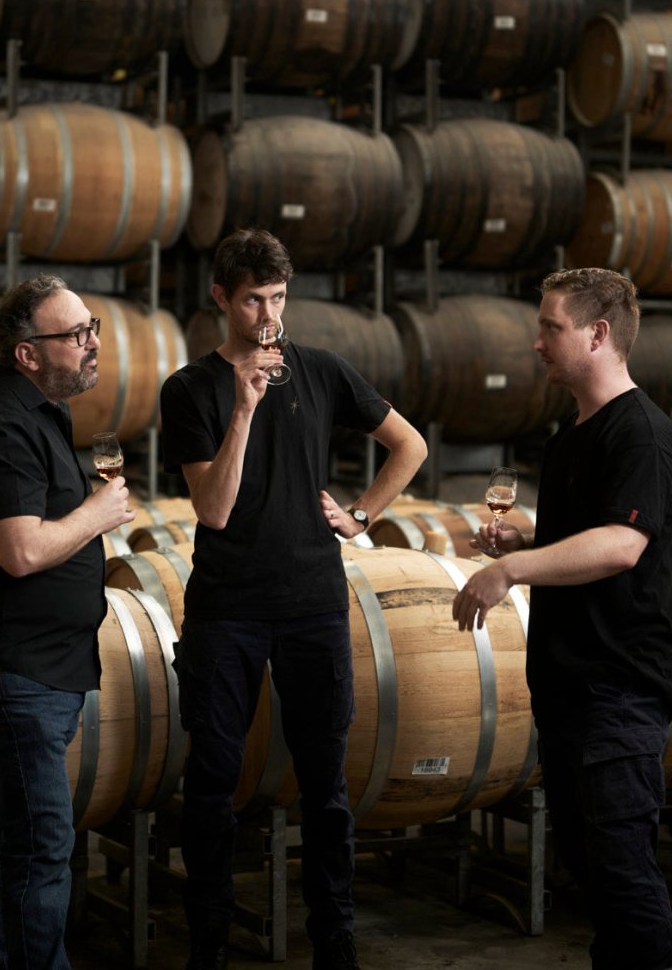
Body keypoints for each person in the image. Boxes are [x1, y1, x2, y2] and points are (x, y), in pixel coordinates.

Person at [160, 229, 427, 970]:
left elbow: (409, 445)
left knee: (326, 787)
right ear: (222, 297)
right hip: (228, 610)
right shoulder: (191, 389)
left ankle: (332, 943)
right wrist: (244, 408)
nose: (269, 314)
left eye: (279, 298)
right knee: (213, 784)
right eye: (254, 299)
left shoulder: (324, 370)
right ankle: (208, 942)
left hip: (313, 603)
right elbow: (212, 510)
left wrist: (363, 514)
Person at [451, 267, 672, 970]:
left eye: (551, 327)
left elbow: (621, 545)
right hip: (569, 693)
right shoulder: (570, 438)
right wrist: (527, 540)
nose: (537, 342)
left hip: (618, 693)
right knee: (593, 878)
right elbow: (586, 539)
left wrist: (508, 570)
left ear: (599, 333)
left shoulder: (640, 435)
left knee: (624, 881)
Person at [0, 274, 136, 970]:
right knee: (44, 844)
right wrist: (98, 515)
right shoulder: (0, 420)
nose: (91, 345)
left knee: (4, 840)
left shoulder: (40, 414)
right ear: (27, 353)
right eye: (75, 334)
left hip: (43, 672)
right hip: (15, 674)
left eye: (92, 330)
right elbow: (20, 551)